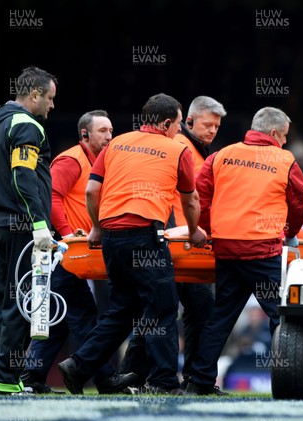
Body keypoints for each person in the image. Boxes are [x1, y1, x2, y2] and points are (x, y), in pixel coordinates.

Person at [57, 93, 207, 395]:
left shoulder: (116, 145)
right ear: (166, 123)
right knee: (162, 308)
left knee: (122, 311)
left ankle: (78, 365)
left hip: (112, 238)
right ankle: (163, 382)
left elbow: (91, 190)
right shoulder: (177, 150)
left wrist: (97, 228)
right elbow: (190, 199)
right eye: (177, 125)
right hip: (145, 236)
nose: (179, 131)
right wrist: (194, 231)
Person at [184, 107, 303, 395]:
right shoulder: (284, 159)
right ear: (275, 134)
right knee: (283, 317)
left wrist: (207, 228)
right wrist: (289, 232)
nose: (286, 142)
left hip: (226, 249)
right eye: (285, 137)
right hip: (262, 250)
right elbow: (300, 204)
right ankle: (293, 382)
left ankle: (199, 381)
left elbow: (198, 195)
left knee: (220, 318)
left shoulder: (221, 155)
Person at [20, 110, 138, 394]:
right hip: (64, 252)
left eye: (111, 130)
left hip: (73, 253)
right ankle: (105, 378)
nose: (110, 136)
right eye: (102, 131)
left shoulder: (98, 163)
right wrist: (67, 233)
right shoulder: (72, 159)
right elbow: (50, 196)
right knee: (83, 315)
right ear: (84, 134)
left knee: (60, 319)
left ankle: (32, 377)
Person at [119, 96, 227, 390]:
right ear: (188, 122)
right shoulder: (178, 147)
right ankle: (148, 376)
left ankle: (144, 376)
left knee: (175, 309)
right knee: (167, 309)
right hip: (173, 240)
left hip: (183, 240)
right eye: (208, 124)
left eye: (217, 126)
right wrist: (167, 234)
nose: (213, 131)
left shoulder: (197, 151)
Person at [0, 66, 57, 395]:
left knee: (1, 301)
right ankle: (6, 379)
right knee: (19, 301)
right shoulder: (26, 125)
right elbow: (22, 176)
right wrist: (39, 224)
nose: (52, 106)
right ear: (35, 95)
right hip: (21, 224)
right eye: (50, 99)